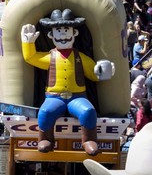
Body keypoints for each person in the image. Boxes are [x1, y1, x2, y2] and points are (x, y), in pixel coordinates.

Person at [21, 9, 115, 155]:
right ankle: (45, 139)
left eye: (66, 30)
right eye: (59, 31)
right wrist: (28, 43)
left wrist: (102, 72)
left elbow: (93, 73)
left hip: (77, 97)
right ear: (51, 35)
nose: (63, 34)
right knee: (45, 112)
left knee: (88, 111)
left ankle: (89, 139)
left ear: (74, 33)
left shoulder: (80, 57)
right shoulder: (50, 57)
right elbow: (31, 58)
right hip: (54, 97)